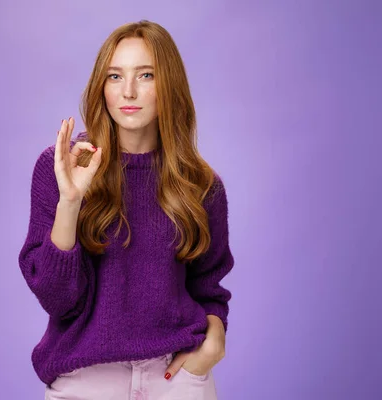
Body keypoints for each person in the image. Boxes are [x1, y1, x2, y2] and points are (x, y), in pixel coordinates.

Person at [18, 19, 235, 400]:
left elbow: (208, 286)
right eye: (115, 76)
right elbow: (57, 300)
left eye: (146, 75)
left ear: (169, 85)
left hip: (176, 379)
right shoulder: (64, 165)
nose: (129, 90)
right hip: (86, 380)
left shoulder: (200, 184)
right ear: (100, 86)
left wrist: (214, 339)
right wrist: (70, 202)